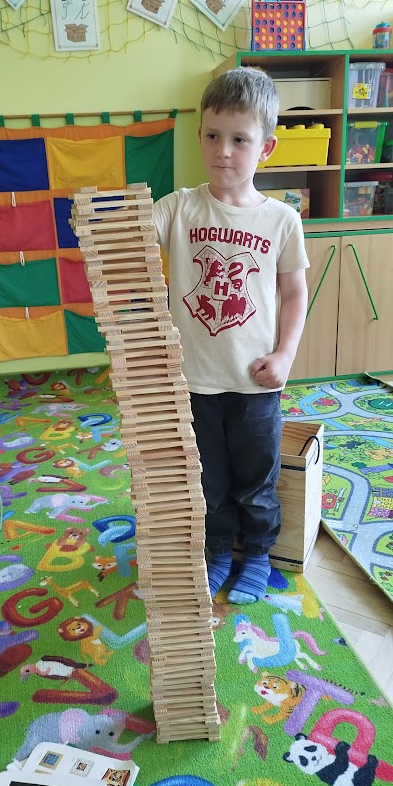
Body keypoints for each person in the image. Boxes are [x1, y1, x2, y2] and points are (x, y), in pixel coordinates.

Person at [152, 67, 309, 604]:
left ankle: (258, 553)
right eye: (213, 136)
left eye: (240, 139)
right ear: (199, 136)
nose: (223, 151)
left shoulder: (282, 220)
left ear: (266, 147)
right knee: (209, 479)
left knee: (257, 480)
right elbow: (126, 236)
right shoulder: (177, 208)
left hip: (255, 382)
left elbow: (294, 295)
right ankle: (219, 548)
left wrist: (285, 354)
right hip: (194, 380)